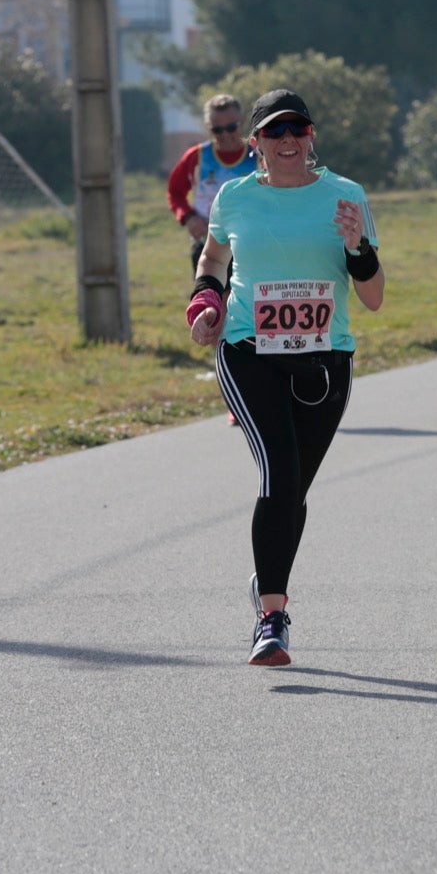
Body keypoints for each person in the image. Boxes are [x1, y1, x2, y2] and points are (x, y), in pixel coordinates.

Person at [186, 89, 385, 666]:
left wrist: (358, 247)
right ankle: (272, 617)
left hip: (326, 361)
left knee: (292, 487)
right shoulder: (235, 197)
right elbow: (213, 260)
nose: (290, 139)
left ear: (312, 137)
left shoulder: (346, 196)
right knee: (279, 471)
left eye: (299, 128)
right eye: (276, 132)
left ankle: (266, 577)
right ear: (256, 145)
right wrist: (206, 301)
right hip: (249, 352)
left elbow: (372, 298)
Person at [168, 94, 258, 275]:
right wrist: (189, 217)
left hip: (250, 248)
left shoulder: (258, 154)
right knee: (210, 303)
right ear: (209, 128)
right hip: (207, 248)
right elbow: (175, 192)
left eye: (232, 127)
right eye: (218, 130)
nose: (225, 135)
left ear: (243, 122)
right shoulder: (196, 156)